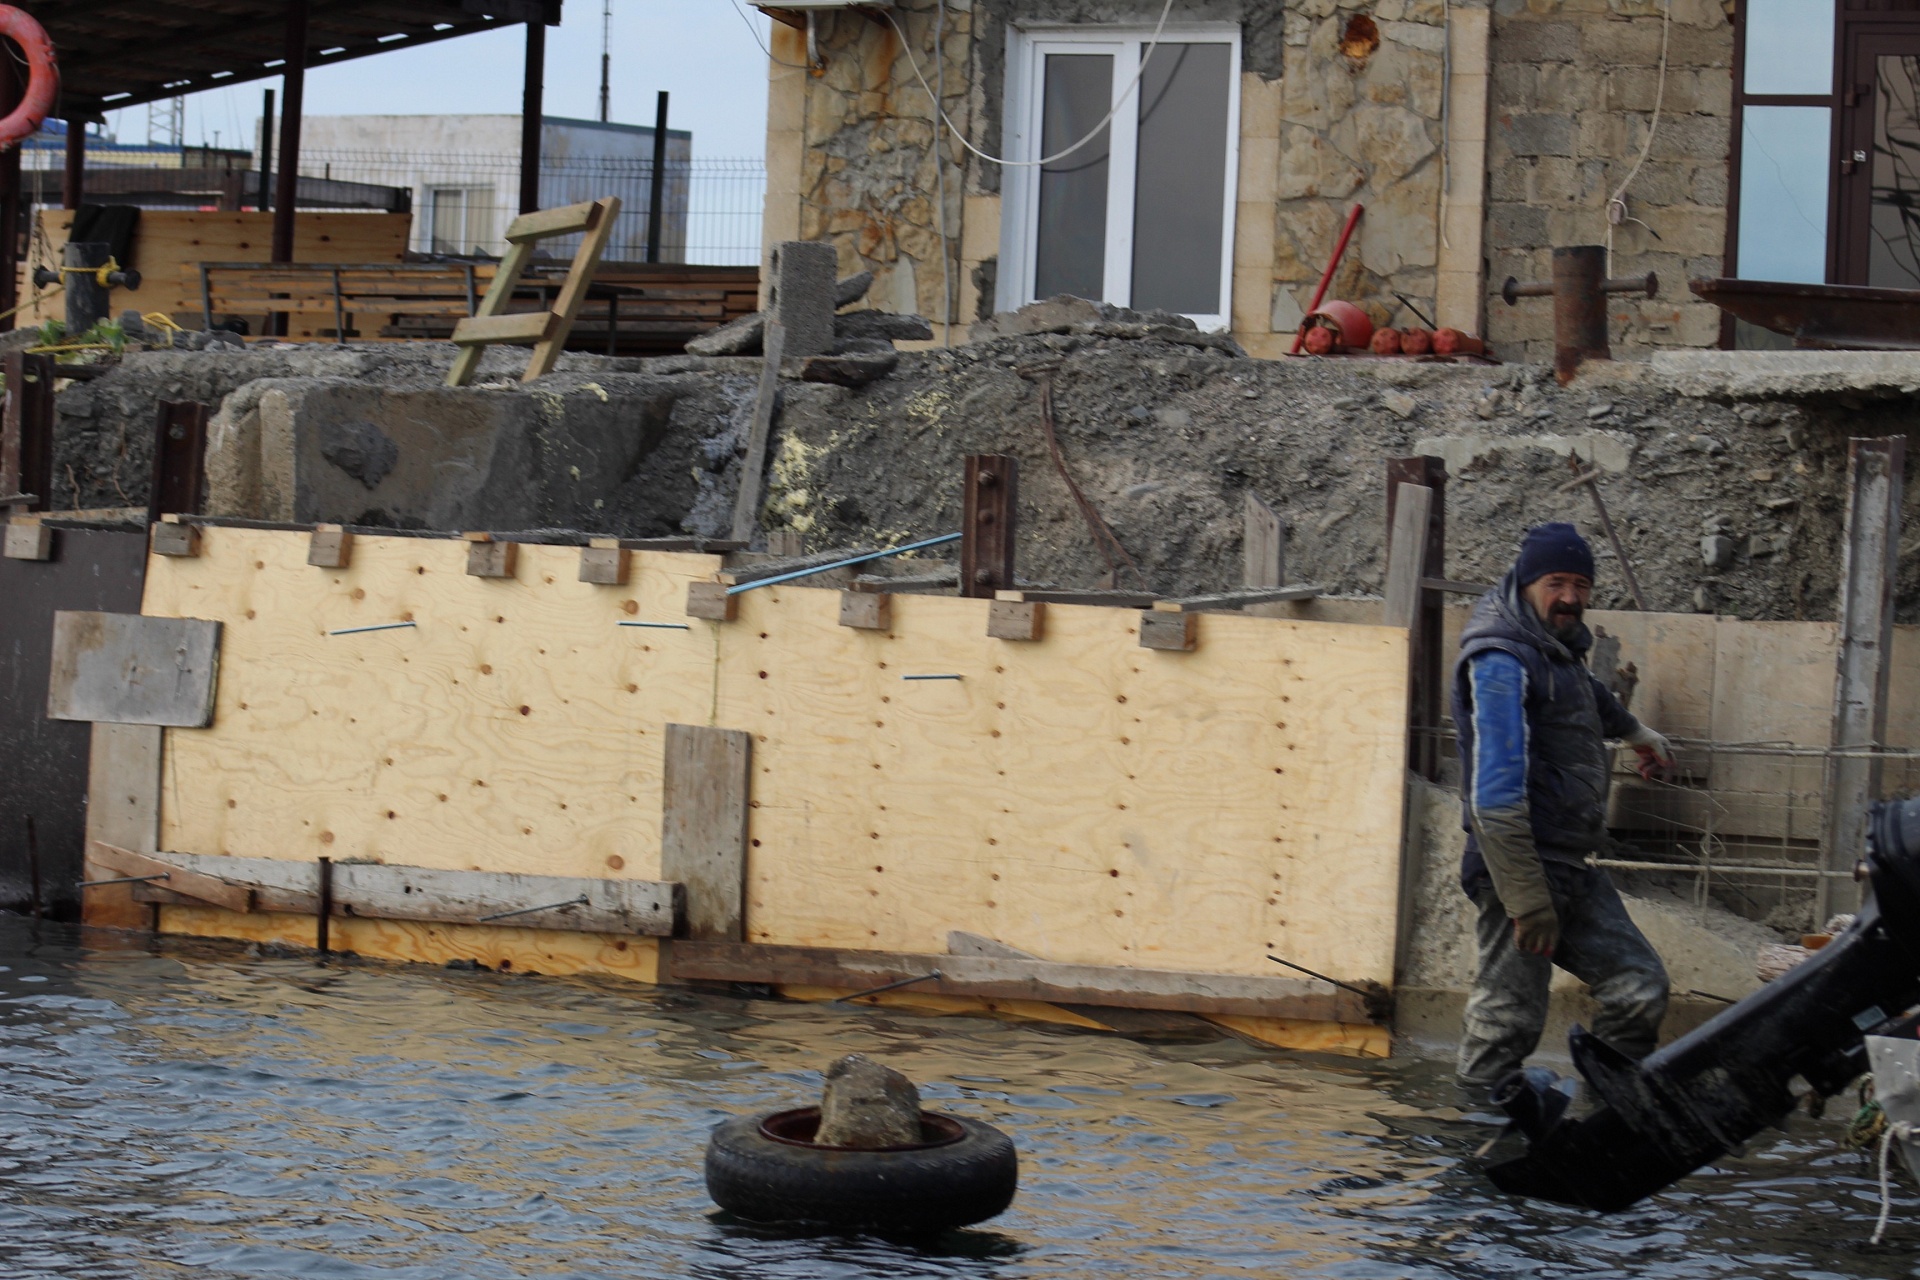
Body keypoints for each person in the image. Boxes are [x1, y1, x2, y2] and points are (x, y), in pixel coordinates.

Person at [1450, 522, 1676, 1090]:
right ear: (1527, 584)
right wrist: (1526, 901)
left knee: (1638, 986)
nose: (1571, 597)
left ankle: (1603, 1121)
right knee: (1507, 1025)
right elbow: (1494, 792)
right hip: (1519, 867)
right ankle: (1473, 1147)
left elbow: (1587, 699)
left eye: (1580, 584)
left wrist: (1638, 733)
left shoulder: (1556, 650)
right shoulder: (1500, 660)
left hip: (1570, 865)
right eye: (1556, 583)